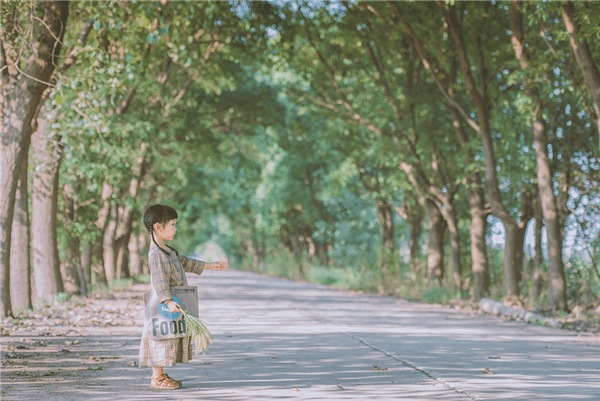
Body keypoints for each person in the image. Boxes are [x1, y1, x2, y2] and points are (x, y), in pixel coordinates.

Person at [139, 204, 228, 390]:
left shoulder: (166, 250)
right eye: (172, 224)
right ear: (158, 227)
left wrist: (209, 266)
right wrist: (167, 300)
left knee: (168, 337)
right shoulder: (156, 254)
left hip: (169, 302)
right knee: (160, 337)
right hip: (163, 305)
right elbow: (160, 280)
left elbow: (185, 263)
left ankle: (161, 375)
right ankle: (157, 377)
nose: (175, 228)